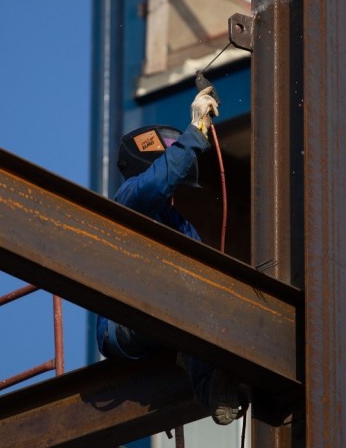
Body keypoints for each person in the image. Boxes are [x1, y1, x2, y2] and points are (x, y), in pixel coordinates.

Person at [95, 85, 248, 424]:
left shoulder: (181, 227)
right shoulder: (129, 198)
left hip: (165, 318)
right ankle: (205, 381)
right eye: (172, 183)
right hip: (124, 323)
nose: (173, 194)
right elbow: (154, 185)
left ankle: (211, 374)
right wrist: (195, 132)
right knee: (192, 299)